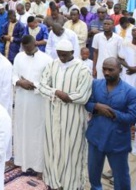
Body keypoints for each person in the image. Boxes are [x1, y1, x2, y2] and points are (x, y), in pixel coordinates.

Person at [38, 39, 93, 190]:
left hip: (73, 116)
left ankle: (71, 183)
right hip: (52, 114)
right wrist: (56, 92)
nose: (61, 58)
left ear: (72, 53)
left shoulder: (82, 69)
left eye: (64, 55)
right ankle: (53, 179)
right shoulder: (52, 65)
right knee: (52, 145)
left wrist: (68, 97)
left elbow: (83, 95)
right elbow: (41, 85)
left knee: (71, 148)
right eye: (59, 55)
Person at [85, 57, 136, 190]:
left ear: (120, 70)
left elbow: (133, 117)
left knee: (121, 177)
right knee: (93, 173)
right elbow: (87, 103)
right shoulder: (95, 84)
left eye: (111, 69)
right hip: (95, 137)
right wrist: (97, 106)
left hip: (117, 140)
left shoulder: (132, 92)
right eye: (104, 69)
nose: (106, 72)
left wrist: (113, 113)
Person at [12, 35, 53, 176]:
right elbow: (13, 75)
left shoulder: (47, 59)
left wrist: (33, 84)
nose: (26, 51)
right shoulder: (18, 57)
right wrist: (19, 82)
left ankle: (37, 164)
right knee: (21, 129)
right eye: (24, 48)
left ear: (35, 44)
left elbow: (49, 82)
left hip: (38, 101)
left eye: (28, 48)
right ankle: (21, 160)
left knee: (36, 131)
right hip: (22, 100)